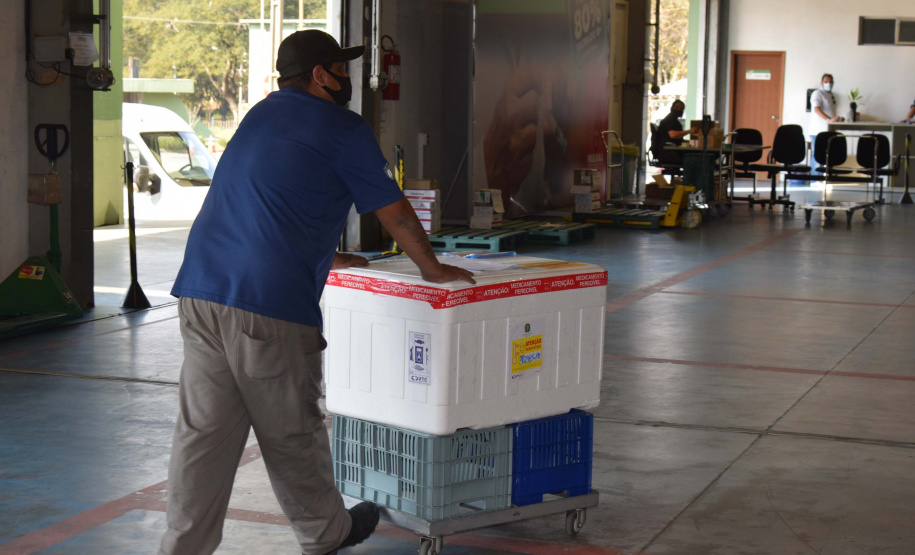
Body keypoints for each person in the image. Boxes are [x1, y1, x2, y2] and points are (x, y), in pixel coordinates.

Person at [158, 30, 476, 555]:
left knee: (203, 436)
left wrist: (324, 256)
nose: (348, 78)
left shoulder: (260, 116)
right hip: (266, 304)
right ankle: (326, 533)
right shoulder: (342, 128)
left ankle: (181, 547)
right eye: (340, 68)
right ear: (318, 76)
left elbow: (265, 199)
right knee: (291, 430)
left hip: (201, 290)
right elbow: (391, 209)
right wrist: (432, 268)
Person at [650, 99, 698, 166]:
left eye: (681, 108)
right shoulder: (668, 120)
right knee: (693, 160)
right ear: (672, 108)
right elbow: (673, 135)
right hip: (666, 154)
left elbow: (678, 138)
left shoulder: (676, 122)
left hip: (671, 152)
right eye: (677, 107)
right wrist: (689, 131)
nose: (679, 110)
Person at [809, 73, 843, 151]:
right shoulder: (817, 93)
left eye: (830, 82)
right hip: (818, 132)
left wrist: (837, 119)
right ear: (822, 83)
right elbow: (817, 109)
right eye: (826, 82)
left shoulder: (831, 95)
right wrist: (829, 120)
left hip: (828, 131)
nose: (829, 84)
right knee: (817, 158)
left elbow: (831, 112)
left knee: (825, 158)